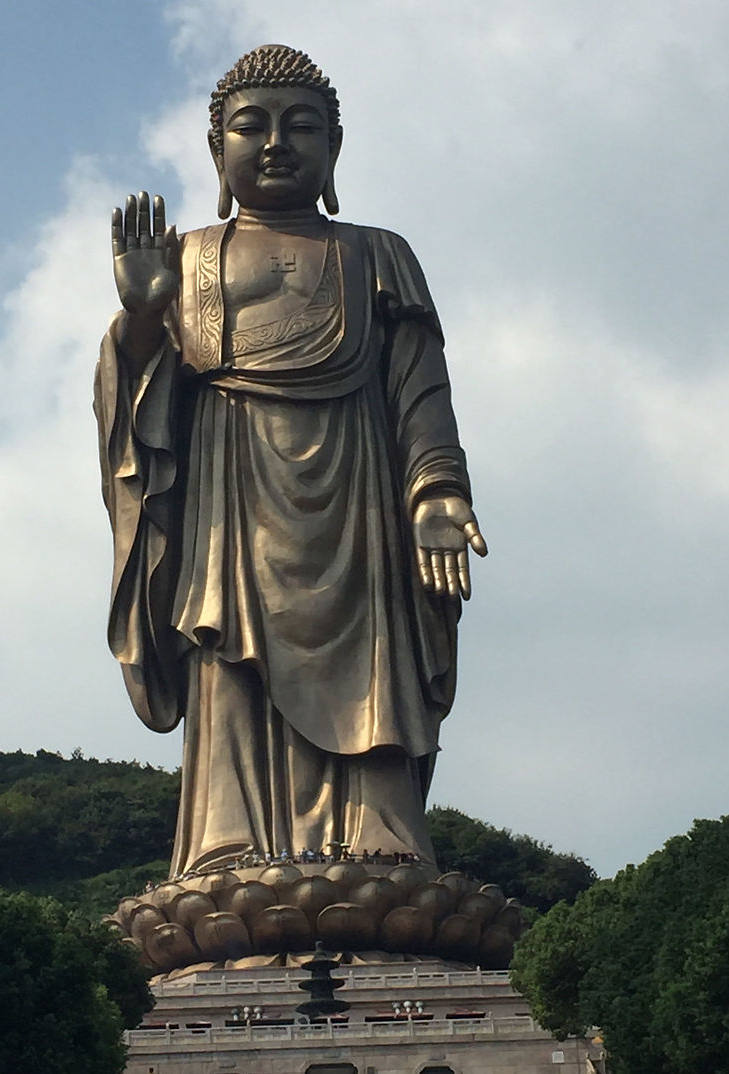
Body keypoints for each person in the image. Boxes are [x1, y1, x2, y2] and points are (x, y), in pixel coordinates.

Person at [96, 44, 486, 882]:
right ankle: (227, 846)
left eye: (301, 125)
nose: (276, 142)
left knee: (370, 667)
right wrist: (140, 318)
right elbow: (136, 402)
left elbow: (419, 385)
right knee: (228, 659)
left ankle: (383, 841)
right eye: (251, 125)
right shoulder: (190, 255)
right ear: (216, 151)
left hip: (359, 501)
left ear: (334, 148)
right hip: (228, 498)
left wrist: (438, 490)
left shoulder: (378, 253)